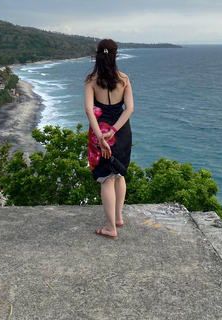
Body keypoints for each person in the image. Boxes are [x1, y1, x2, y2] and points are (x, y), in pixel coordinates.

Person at [85, 39, 134, 239]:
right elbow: (129, 109)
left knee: (106, 180)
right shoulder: (124, 79)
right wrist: (113, 130)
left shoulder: (91, 80)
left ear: (97, 55)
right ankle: (118, 218)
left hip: (99, 131)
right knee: (119, 175)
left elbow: (89, 110)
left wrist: (101, 137)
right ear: (115, 55)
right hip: (121, 132)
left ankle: (109, 227)